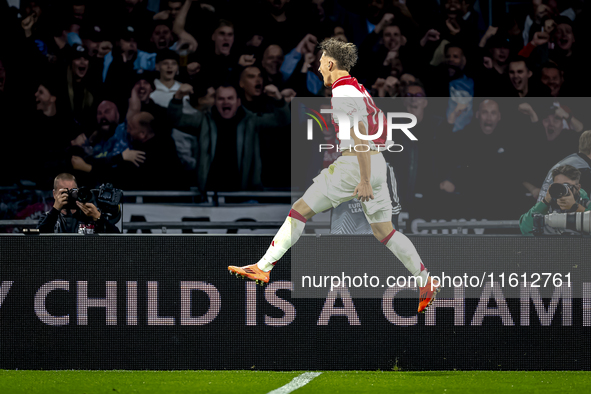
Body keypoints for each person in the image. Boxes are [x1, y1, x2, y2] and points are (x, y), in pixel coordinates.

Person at [228, 38, 440, 314]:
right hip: (378, 163)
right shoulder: (359, 88)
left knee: (299, 211)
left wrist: (363, 179)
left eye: (320, 62)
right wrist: (371, 173)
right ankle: (424, 281)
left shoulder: (342, 92)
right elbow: (380, 131)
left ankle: (264, 267)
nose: (318, 67)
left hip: (355, 165)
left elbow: (361, 134)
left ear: (331, 63)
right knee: (385, 232)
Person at [519, 165, 591, 235]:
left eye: (567, 186)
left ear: (578, 188)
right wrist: (545, 202)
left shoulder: (586, 204)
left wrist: (576, 207)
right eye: (558, 186)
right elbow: (526, 228)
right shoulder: (547, 207)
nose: (562, 190)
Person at [37, 173, 120, 233]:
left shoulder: (89, 215)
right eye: (65, 191)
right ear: (54, 194)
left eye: (73, 191)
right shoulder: (48, 217)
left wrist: (98, 218)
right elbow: (37, 241)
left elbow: (116, 238)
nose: (69, 195)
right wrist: (55, 210)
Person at [537, 130, 591, 206]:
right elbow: (583, 208)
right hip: (555, 215)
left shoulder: (573, 160)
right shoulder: (583, 170)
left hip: (543, 212)